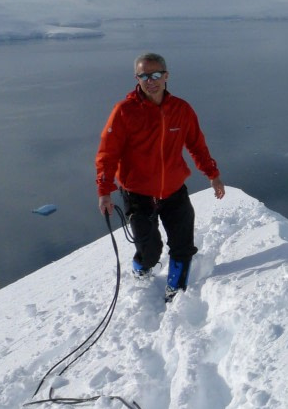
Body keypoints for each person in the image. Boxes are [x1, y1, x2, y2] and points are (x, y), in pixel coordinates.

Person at [96, 53, 225, 302]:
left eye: (156, 74)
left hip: (174, 190)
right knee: (150, 250)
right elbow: (107, 153)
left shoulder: (181, 109)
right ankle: (141, 267)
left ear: (166, 76)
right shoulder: (124, 112)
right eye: (144, 75)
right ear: (137, 78)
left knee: (182, 245)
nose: (150, 80)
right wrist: (104, 191)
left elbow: (197, 146)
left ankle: (175, 291)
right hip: (138, 193)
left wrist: (213, 175)